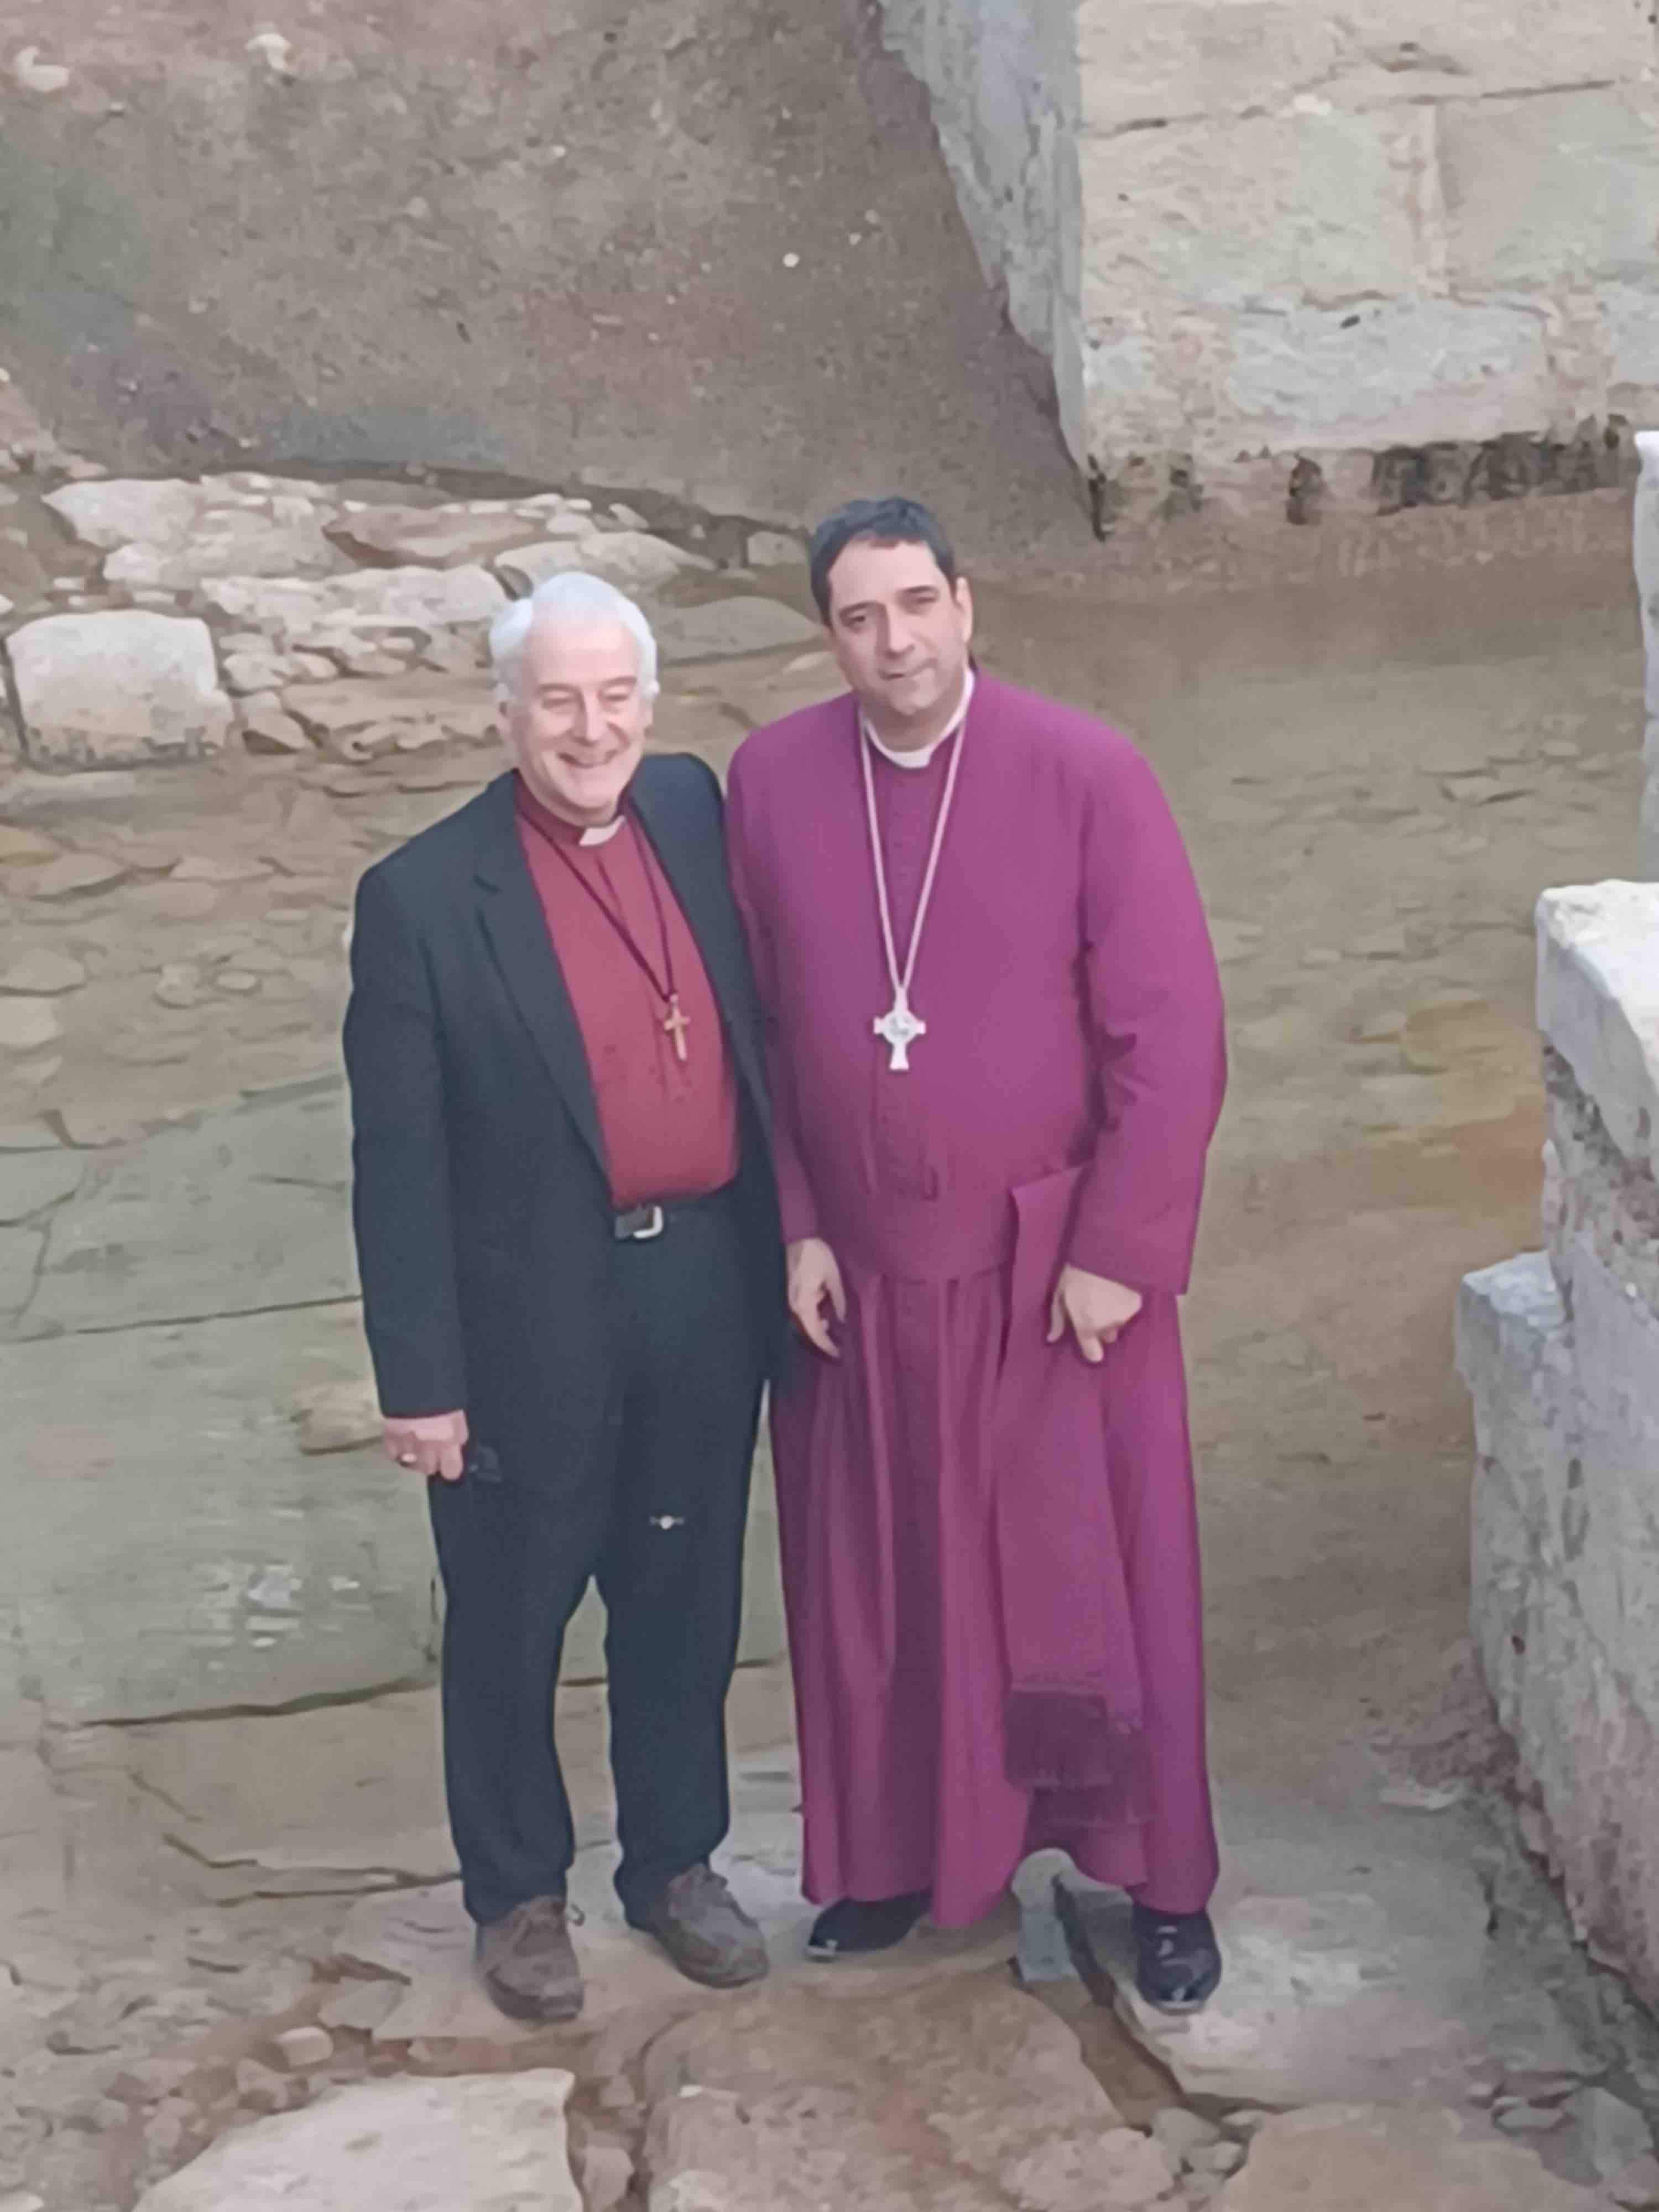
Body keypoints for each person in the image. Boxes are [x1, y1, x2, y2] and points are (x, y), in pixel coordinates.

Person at [724, 497, 1228, 2011]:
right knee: (891, 1591)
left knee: (1099, 1591)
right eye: (862, 617)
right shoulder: (771, 781)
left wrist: (1118, 1244)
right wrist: (798, 1224)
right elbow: (760, 1039)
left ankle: (1158, 1885)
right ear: (832, 636)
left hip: (1053, 1282)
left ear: (967, 604)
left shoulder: (1089, 772)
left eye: (918, 605)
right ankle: (896, 1861)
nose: (897, 643)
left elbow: (1173, 1036)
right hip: (866, 1283)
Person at [343, 572, 783, 2023]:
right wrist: (418, 1380)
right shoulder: (420, 897)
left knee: (683, 1592)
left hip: (703, 1280)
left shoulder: (693, 810)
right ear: (506, 713)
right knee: (513, 1610)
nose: (588, 729)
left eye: (614, 698)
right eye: (557, 700)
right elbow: (395, 1164)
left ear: (650, 707)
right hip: (528, 1304)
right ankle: (518, 1893)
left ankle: (673, 1865)